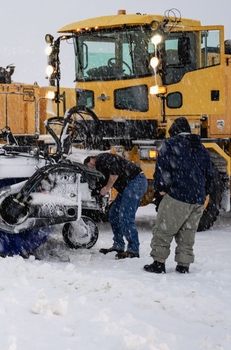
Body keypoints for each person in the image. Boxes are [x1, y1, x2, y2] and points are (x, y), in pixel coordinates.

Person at [144, 117, 218, 275]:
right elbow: (210, 173)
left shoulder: (170, 145)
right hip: (198, 198)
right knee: (187, 233)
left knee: (163, 230)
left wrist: (161, 188)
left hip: (178, 195)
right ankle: (183, 265)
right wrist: (206, 191)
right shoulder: (201, 147)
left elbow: (162, 168)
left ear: (173, 131)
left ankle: (158, 263)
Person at [87, 151, 148, 259]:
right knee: (113, 214)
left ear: (91, 160)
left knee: (125, 216)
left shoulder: (102, 158)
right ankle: (118, 245)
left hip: (135, 182)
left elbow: (114, 173)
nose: (91, 170)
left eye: (89, 167)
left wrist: (107, 188)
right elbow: (101, 185)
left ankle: (133, 249)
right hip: (126, 187)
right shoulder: (101, 169)